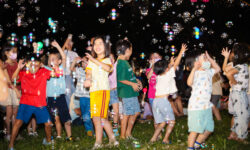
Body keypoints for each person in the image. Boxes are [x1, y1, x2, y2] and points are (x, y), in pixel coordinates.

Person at [9, 54, 54, 150]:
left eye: (36, 65)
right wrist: (18, 68)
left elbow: (55, 73)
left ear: (40, 64)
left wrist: (44, 66)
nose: (33, 67)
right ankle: (11, 145)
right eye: (30, 65)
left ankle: (48, 141)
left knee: (48, 124)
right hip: (26, 102)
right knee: (18, 123)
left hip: (40, 103)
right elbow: (13, 79)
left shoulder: (43, 72)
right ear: (27, 65)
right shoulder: (23, 73)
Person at [84, 36, 118, 149]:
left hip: (103, 92)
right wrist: (87, 79)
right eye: (95, 44)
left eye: (100, 43)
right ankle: (108, 139)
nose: (97, 46)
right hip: (93, 92)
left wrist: (93, 60)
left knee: (102, 118)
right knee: (95, 118)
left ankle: (102, 141)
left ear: (106, 47)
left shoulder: (107, 59)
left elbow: (108, 69)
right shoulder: (91, 62)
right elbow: (88, 72)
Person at [150, 44, 188, 144]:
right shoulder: (167, 75)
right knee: (171, 121)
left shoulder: (158, 76)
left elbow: (171, 66)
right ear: (166, 69)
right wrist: (181, 52)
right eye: (167, 66)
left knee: (162, 122)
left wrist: (170, 64)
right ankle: (165, 139)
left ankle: (153, 138)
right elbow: (176, 65)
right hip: (163, 101)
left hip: (155, 101)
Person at [186, 51, 221, 150]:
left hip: (207, 106)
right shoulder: (196, 72)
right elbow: (189, 82)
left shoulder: (209, 72)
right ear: (197, 62)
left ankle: (197, 143)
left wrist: (210, 59)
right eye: (204, 58)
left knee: (210, 129)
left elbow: (218, 68)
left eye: (206, 58)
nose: (206, 60)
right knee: (195, 130)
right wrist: (194, 69)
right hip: (196, 107)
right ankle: (190, 148)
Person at [46, 41, 73, 140]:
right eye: (49, 59)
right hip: (50, 98)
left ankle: (69, 136)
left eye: (53, 59)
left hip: (61, 97)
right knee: (56, 117)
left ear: (59, 61)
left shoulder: (61, 69)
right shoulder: (46, 70)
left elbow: (64, 57)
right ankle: (58, 136)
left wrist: (58, 46)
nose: (50, 61)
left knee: (66, 119)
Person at [116, 39, 142, 141]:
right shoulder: (121, 63)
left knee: (136, 112)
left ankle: (128, 133)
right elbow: (120, 79)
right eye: (131, 50)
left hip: (132, 92)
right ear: (127, 50)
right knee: (127, 114)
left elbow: (128, 75)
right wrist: (132, 84)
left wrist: (135, 80)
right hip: (127, 93)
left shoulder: (125, 62)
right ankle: (123, 136)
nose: (131, 52)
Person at [224, 43, 249, 142]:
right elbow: (228, 73)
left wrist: (226, 58)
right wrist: (234, 82)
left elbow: (225, 70)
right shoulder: (242, 66)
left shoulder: (238, 65)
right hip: (239, 93)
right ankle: (241, 137)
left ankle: (233, 134)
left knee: (236, 115)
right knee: (243, 116)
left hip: (235, 92)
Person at [0, 45, 21, 141]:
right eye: (13, 52)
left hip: (17, 89)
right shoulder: (4, 65)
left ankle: (15, 133)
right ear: (6, 53)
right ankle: (7, 133)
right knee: (9, 113)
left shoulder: (17, 63)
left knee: (16, 113)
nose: (15, 54)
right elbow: (9, 80)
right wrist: (15, 89)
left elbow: (19, 78)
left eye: (16, 51)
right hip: (9, 90)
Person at [70, 56, 94, 136]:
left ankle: (93, 130)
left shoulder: (92, 71)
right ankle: (89, 130)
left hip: (90, 97)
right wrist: (74, 61)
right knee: (84, 115)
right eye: (83, 62)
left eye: (86, 62)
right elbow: (71, 69)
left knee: (88, 116)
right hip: (81, 97)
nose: (83, 63)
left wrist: (88, 63)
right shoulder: (80, 70)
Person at [62, 34, 79, 108]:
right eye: (68, 43)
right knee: (68, 94)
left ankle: (74, 110)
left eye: (71, 42)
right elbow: (61, 51)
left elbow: (78, 65)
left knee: (74, 93)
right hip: (65, 75)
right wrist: (68, 39)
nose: (69, 44)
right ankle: (69, 110)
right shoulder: (64, 52)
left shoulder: (75, 54)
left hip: (73, 77)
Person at [108, 53, 119, 136]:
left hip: (116, 91)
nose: (111, 59)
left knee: (116, 112)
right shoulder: (105, 68)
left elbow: (120, 56)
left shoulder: (115, 66)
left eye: (112, 58)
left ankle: (115, 128)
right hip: (107, 92)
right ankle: (107, 128)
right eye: (109, 58)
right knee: (106, 112)